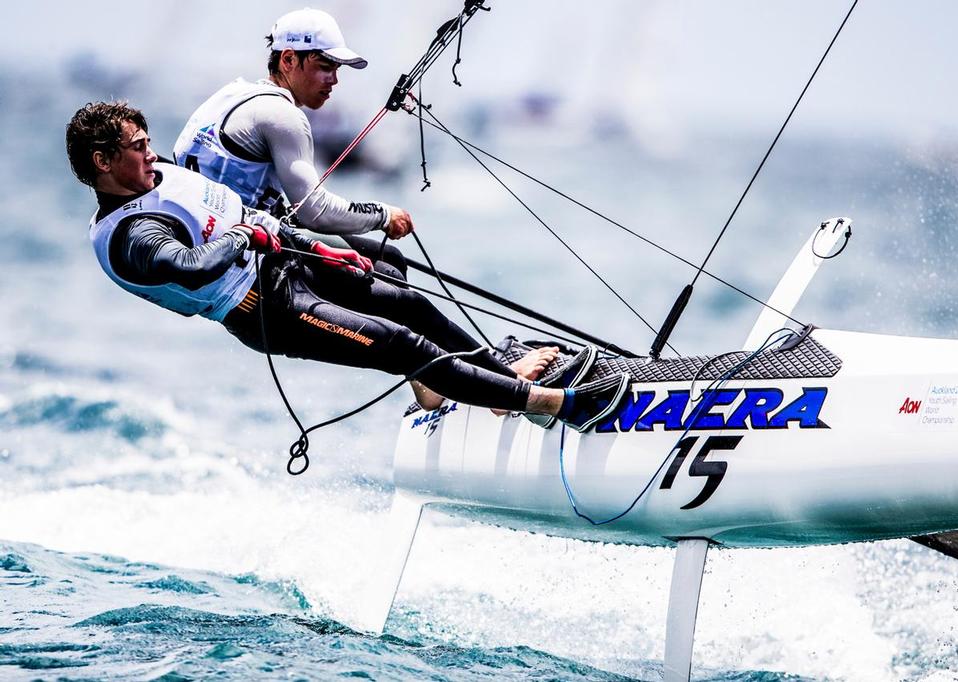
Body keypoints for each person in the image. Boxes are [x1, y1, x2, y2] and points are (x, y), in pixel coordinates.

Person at [67, 101, 629, 433]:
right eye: (138, 146)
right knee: (402, 343)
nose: (150, 151)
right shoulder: (132, 234)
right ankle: (547, 405)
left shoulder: (154, 173)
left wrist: (322, 244)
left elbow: (236, 209)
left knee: (397, 284)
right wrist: (245, 234)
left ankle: (492, 383)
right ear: (103, 162)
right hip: (269, 309)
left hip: (289, 262)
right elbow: (189, 266)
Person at [172, 7, 409, 281]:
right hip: (236, 254)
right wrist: (383, 215)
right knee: (394, 283)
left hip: (222, 233)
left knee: (391, 260)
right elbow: (315, 212)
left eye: (336, 69)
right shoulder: (282, 115)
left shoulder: (232, 93)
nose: (334, 80)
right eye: (325, 67)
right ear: (288, 60)